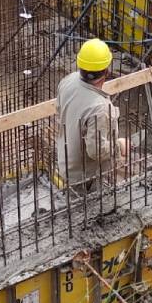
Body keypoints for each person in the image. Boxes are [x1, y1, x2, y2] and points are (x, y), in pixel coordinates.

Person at [55, 38, 131, 192]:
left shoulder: (68, 81)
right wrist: (119, 146)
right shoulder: (99, 107)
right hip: (84, 177)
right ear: (107, 70)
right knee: (88, 210)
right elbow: (96, 150)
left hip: (65, 161)